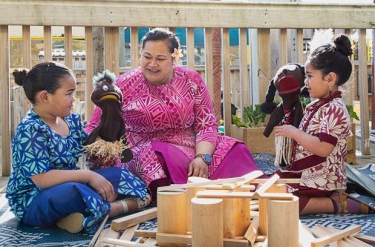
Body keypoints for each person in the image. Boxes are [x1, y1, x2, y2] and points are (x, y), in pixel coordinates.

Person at [85, 28, 260, 201]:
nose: (152, 64)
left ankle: (238, 192)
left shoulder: (192, 80)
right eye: (147, 57)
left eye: (160, 59)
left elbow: (206, 124)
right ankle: (187, 197)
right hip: (145, 150)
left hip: (192, 146)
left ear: (174, 58)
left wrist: (202, 158)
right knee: (158, 156)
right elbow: (94, 125)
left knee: (235, 149)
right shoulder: (122, 85)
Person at [6, 62, 149, 234]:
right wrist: (89, 176)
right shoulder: (31, 129)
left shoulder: (71, 120)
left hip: (74, 183)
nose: (74, 99)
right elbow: (42, 179)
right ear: (45, 96)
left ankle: (82, 214)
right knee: (73, 191)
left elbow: (88, 149)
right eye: (69, 93)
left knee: (119, 174)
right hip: (35, 200)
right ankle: (114, 208)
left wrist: (108, 127)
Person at [274, 34, 373, 214]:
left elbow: (323, 148)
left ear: (330, 79)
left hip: (323, 179)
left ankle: (338, 204)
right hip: (307, 173)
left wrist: (294, 133)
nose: (306, 82)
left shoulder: (335, 109)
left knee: (282, 202)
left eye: (310, 76)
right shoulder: (317, 105)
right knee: (268, 186)